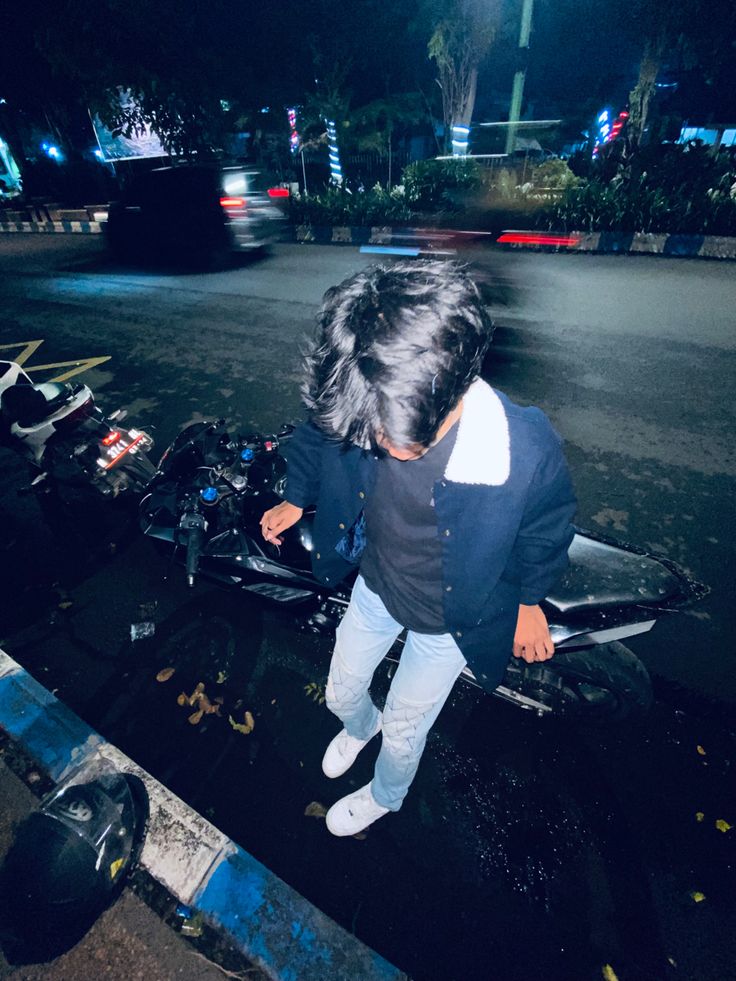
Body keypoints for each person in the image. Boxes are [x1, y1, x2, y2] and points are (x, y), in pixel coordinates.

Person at [260, 261, 576, 837]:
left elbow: (547, 525)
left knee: (407, 730)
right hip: (376, 586)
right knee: (342, 690)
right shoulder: (367, 397)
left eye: (384, 433)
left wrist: (530, 601)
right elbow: (315, 438)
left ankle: (387, 794)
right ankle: (360, 727)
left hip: (450, 620)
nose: (371, 441)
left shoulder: (521, 448)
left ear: (447, 388)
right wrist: (298, 497)